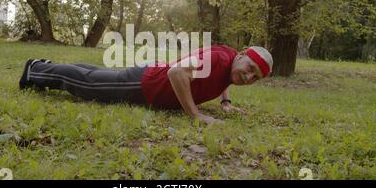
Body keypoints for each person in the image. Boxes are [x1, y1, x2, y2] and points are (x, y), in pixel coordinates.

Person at [19, 45, 273, 124]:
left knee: (98, 76)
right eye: (250, 69)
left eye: (255, 78)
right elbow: (177, 73)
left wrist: (226, 102)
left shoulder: (229, 64)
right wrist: (195, 114)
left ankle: (44, 65)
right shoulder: (219, 58)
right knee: (90, 85)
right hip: (148, 84)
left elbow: (223, 78)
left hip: (150, 76)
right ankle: (35, 70)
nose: (248, 78)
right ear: (241, 55)